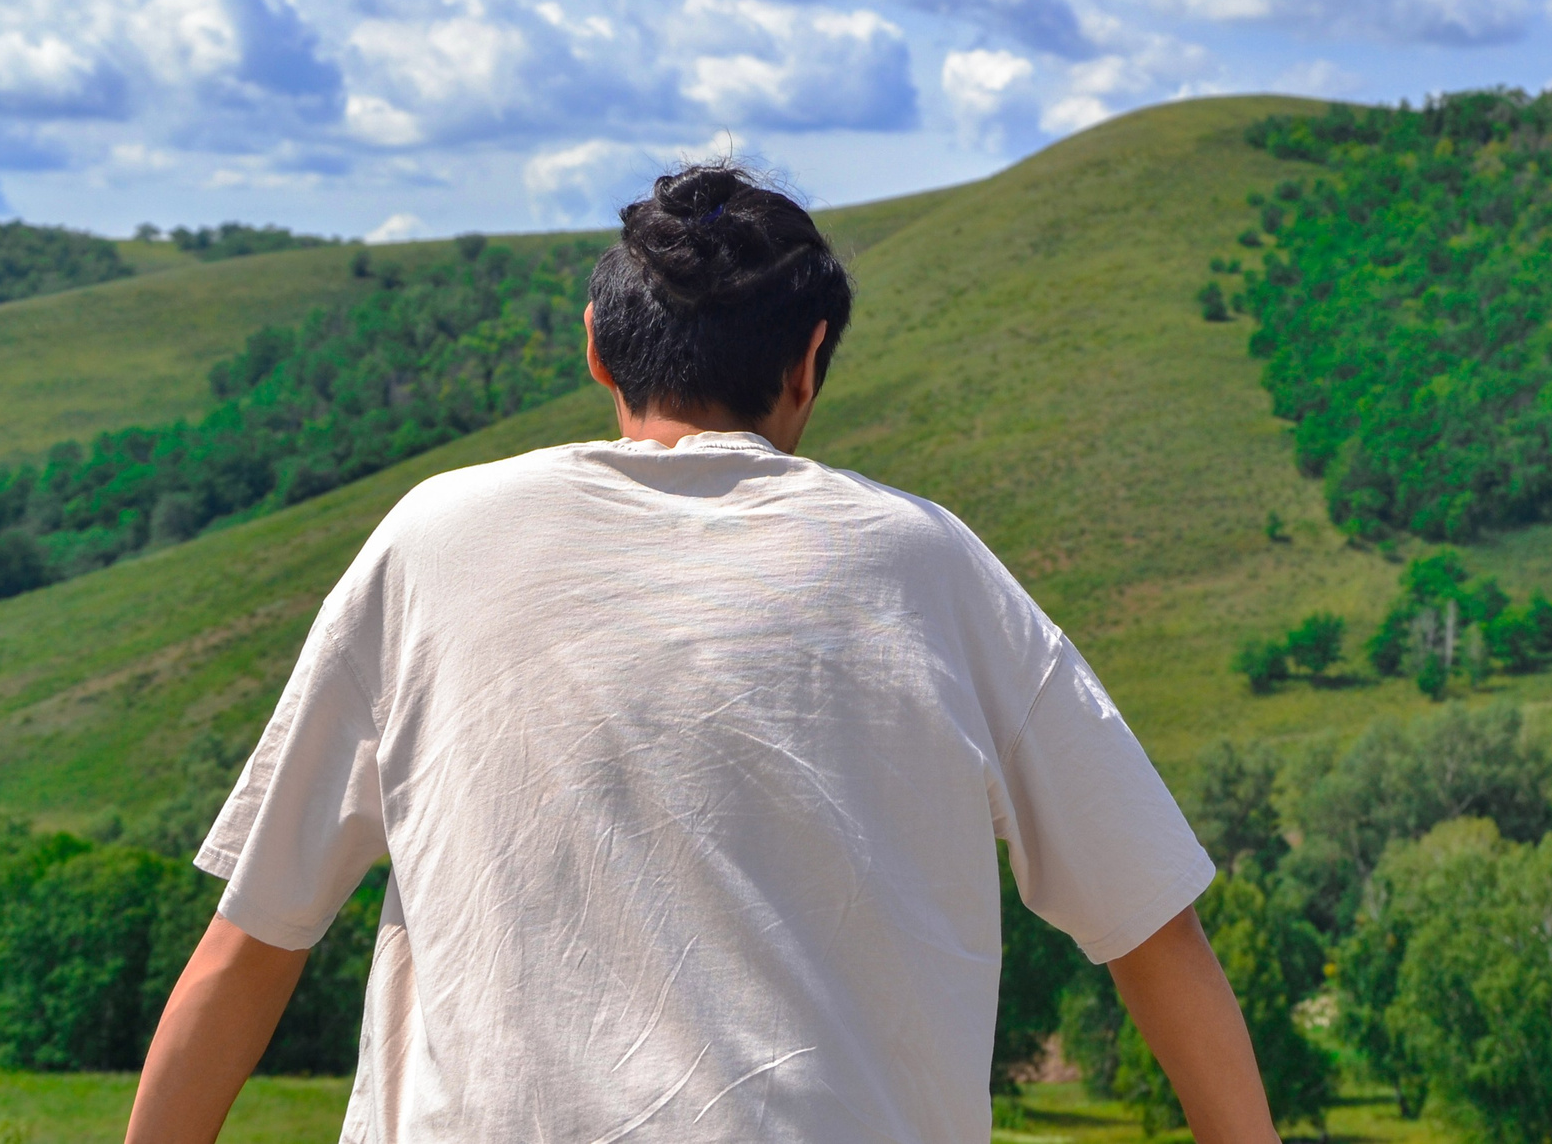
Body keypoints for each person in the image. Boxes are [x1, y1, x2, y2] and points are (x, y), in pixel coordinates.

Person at [126, 165, 1276, 1144]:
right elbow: (1152, 930)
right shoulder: (928, 567)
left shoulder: (434, 542)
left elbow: (253, 942)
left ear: (596, 347)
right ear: (808, 361)